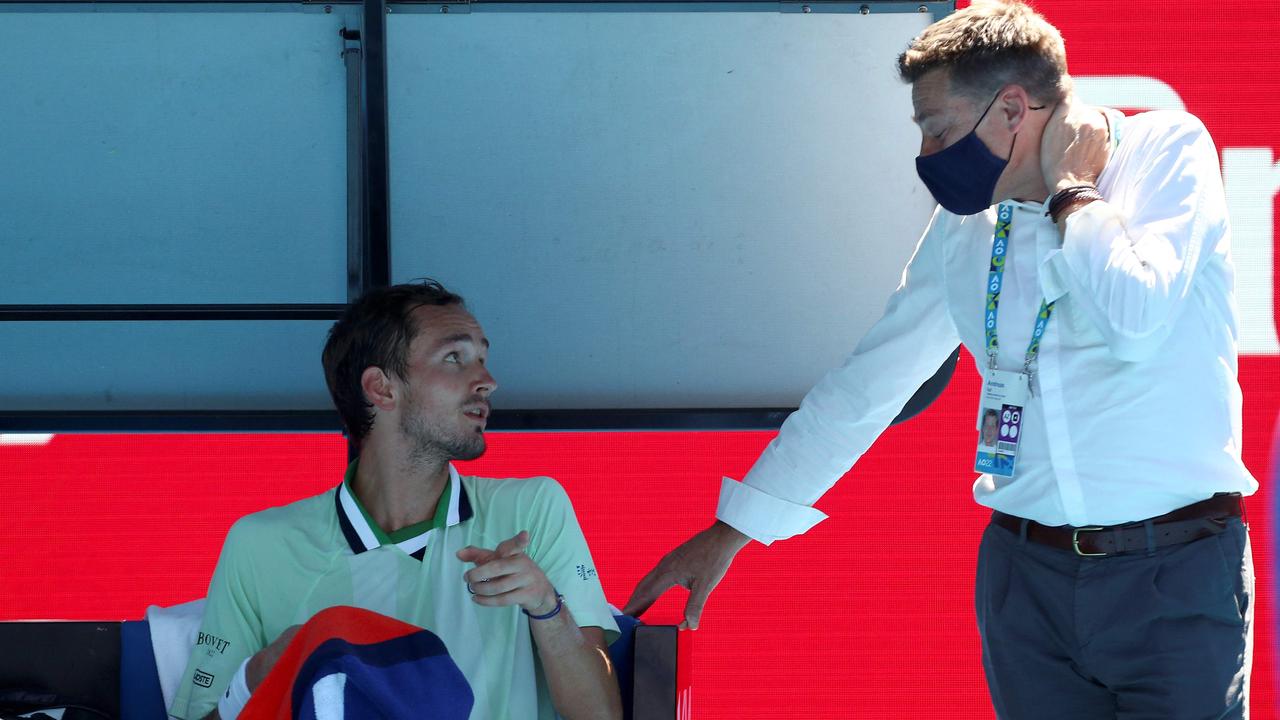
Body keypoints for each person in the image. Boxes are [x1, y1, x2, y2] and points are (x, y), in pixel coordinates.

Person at [624, 2, 1257, 717]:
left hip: (1172, 571)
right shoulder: (968, 227)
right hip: (1026, 580)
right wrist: (733, 531)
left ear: (1012, 107)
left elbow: (1135, 322)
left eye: (937, 129)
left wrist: (1072, 193)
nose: (927, 158)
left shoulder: (1167, 148)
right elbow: (870, 382)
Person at [170, 280, 623, 720]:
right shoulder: (258, 545)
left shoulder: (534, 508)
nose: (488, 381)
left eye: (483, 358)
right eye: (454, 357)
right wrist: (259, 675)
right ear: (382, 388)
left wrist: (547, 607)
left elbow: (600, 714)